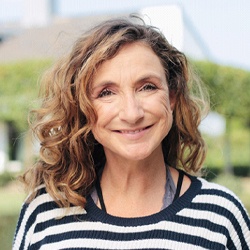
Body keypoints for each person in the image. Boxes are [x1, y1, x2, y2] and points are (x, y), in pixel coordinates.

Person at [13, 16, 250, 250]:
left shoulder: (222, 216)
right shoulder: (44, 211)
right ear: (83, 107)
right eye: (106, 92)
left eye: (147, 87)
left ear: (172, 96)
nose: (131, 113)